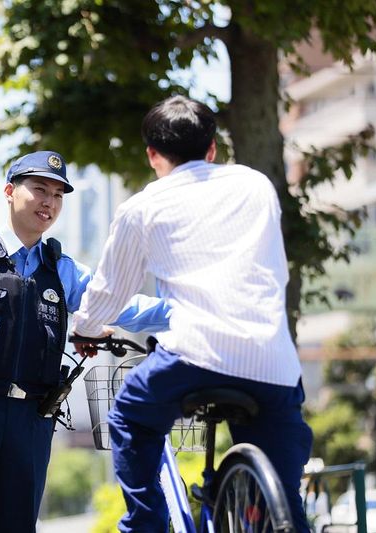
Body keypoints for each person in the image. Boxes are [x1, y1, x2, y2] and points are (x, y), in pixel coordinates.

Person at [71, 96, 313, 532]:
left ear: (152, 154)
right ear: (213, 148)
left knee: (127, 416)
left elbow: (109, 291)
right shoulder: (256, 185)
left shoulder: (142, 207)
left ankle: (147, 525)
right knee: (281, 495)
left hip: (194, 356)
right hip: (273, 362)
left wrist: (86, 328)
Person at [0, 150, 171, 533]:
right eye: (39, 189)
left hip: (32, 418)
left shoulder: (63, 270)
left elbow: (119, 304)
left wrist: (187, 309)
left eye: (58, 195)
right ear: (9, 192)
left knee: (18, 525)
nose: (49, 202)